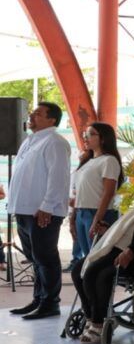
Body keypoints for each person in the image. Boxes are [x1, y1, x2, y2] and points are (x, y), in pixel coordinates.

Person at [7, 102, 71, 320]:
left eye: (38, 114)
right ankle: (39, 298)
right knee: (35, 258)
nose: (32, 116)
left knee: (45, 257)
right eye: (32, 113)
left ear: (52, 120)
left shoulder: (55, 142)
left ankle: (50, 303)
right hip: (25, 209)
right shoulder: (29, 141)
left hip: (42, 211)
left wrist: (47, 206)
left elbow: (58, 177)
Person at [72, 203, 134, 344]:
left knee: (95, 273)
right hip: (117, 248)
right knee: (77, 270)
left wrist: (131, 250)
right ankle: (89, 315)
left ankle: (98, 322)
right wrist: (107, 230)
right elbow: (125, 229)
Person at [68, 123, 123, 300]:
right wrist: (73, 217)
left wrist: (97, 219)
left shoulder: (109, 160)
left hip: (98, 214)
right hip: (82, 213)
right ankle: (91, 307)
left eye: (91, 134)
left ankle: (98, 307)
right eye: (86, 133)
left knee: (95, 264)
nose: (86, 137)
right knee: (85, 261)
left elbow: (108, 193)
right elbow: (79, 192)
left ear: (103, 138)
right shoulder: (88, 161)